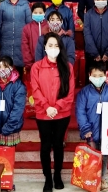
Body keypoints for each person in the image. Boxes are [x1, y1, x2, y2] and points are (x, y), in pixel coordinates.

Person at [30, 33, 76, 192]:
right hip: (43, 113)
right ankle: (47, 178)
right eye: (50, 45)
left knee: (58, 145)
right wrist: (46, 107)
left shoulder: (67, 67)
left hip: (62, 114)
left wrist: (57, 107)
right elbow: (35, 90)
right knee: (45, 145)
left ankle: (57, 176)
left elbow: (70, 93)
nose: (53, 48)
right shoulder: (36, 67)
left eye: (56, 45)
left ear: (60, 48)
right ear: (44, 47)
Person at [77, 62, 108, 191]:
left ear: (105, 76)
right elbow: (80, 112)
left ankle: (101, 179)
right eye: (94, 75)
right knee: (92, 156)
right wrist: (85, 128)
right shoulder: (84, 92)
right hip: (91, 131)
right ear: (89, 76)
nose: (97, 78)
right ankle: (91, 180)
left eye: (100, 75)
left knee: (104, 156)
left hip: (106, 131)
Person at [0, 0, 32, 71]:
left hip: (21, 41)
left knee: (19, 70)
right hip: (5, 41)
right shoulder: (2, 5)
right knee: (5, 68)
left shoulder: (25, 5)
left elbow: (29, 24)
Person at [23, 2, 51, 67]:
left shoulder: (49, 26)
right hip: (32, 64)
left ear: (45, 13)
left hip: (48, 63)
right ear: (32, 13)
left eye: (40, 13)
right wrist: (30, 64)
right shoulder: (27, 28)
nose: (38, 14)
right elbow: (25, 47)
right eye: (35, 13)